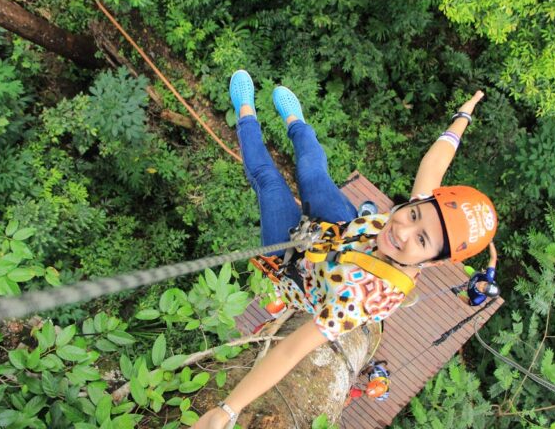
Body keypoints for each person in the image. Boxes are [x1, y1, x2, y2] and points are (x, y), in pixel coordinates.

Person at [193, 70, 497, 428]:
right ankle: (296, 122)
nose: (402, 229)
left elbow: (292, 350)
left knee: (269, 181)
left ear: (433, 261)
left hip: (297, 267)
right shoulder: (418, 217)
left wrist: (227, 410)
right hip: (343, 229)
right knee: (312, 171)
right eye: (412, 213)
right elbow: (436, 161)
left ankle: (244, 111)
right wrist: (464, 115)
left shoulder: (363, 297)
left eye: (421, 240)